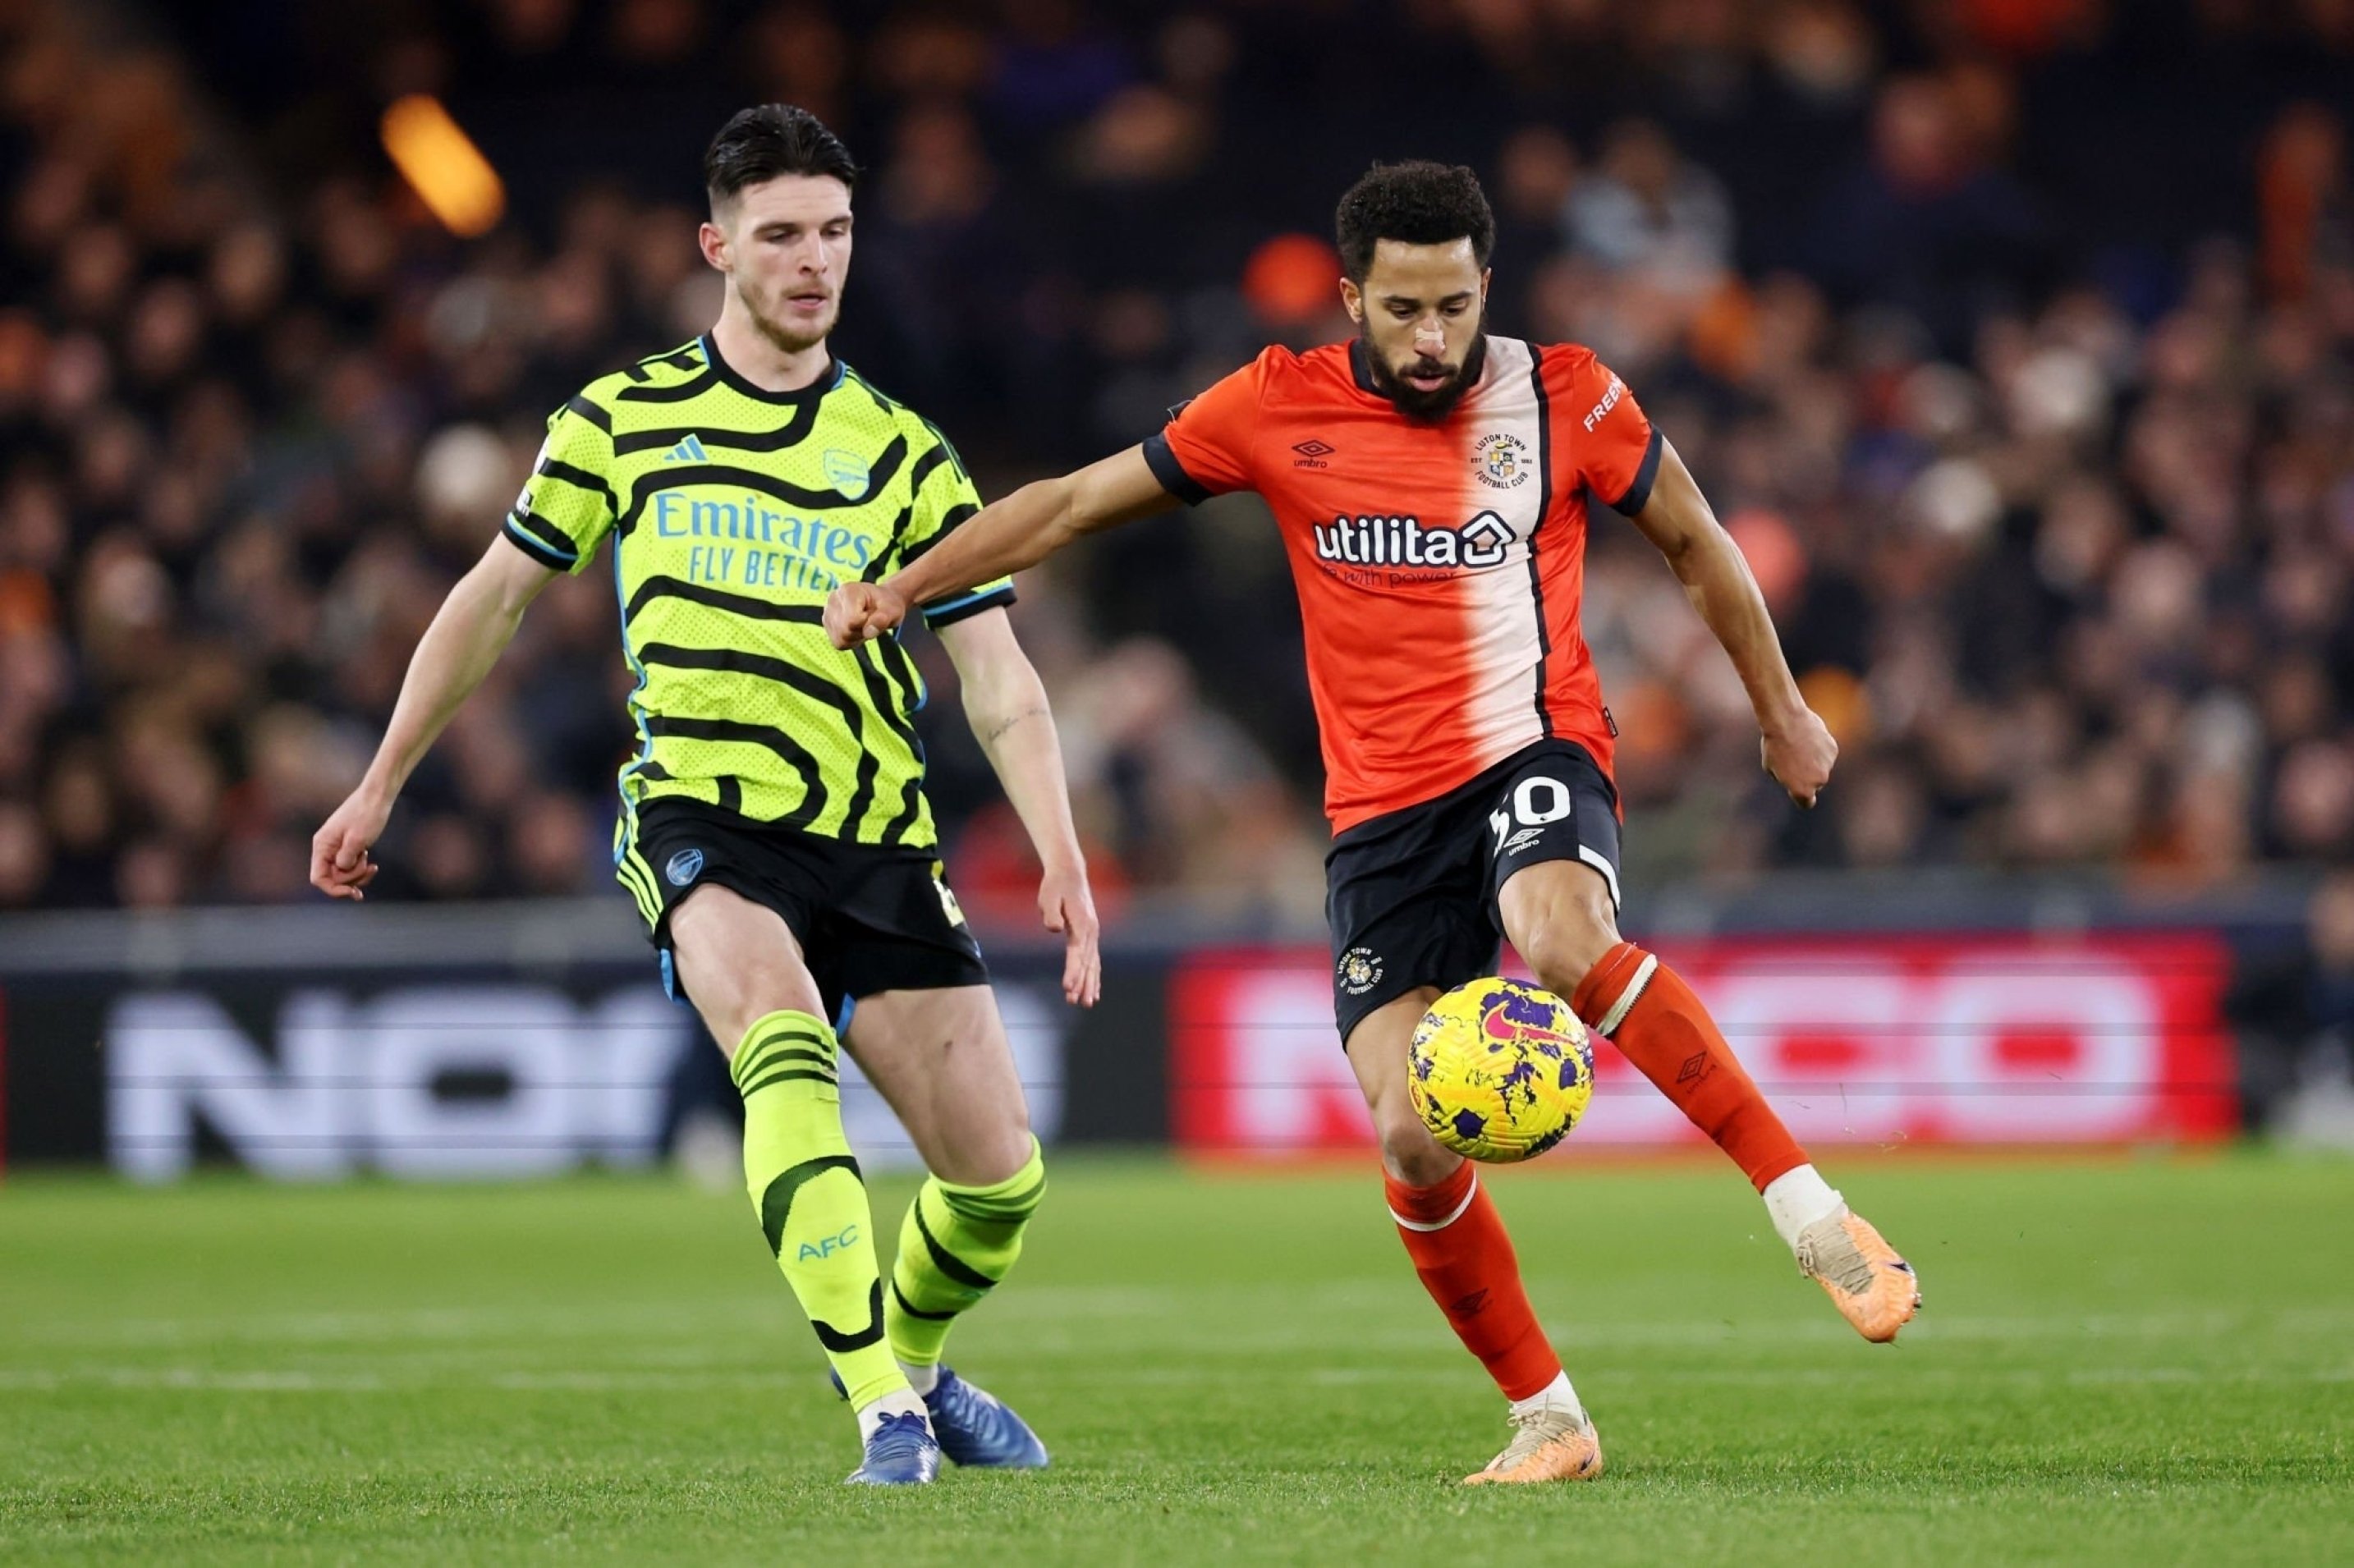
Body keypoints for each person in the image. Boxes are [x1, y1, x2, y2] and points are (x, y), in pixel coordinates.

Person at [826, 160, 1918, 1486]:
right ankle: (1550, 1417)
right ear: (1350, 295)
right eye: (1401, 308)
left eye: (1453, 305)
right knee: (1408, 1131)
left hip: (1534, 743)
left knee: (1559, 930)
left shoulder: (1566, 392)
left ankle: (1813, 1214)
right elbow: (1065, 504)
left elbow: (1694, 540)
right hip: (1383, 818)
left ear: (1484, 289)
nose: (1430, 337)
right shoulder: (1275, 407)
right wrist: (909, 584)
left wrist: (1783, 708)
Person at [312, 104, 1101, 1488]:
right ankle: (885, 1413)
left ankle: (917, 1363)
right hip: (703, 815)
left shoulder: (905, 451)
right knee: (780, 1043)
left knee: (999, 1185)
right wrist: (378, 780)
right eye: (784, 233)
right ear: (717, 243)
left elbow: (1000, 673)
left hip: (876, 835)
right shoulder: (622, 419)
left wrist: (1062, 850)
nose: (814, 261)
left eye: (836, 233)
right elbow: (492, 600)